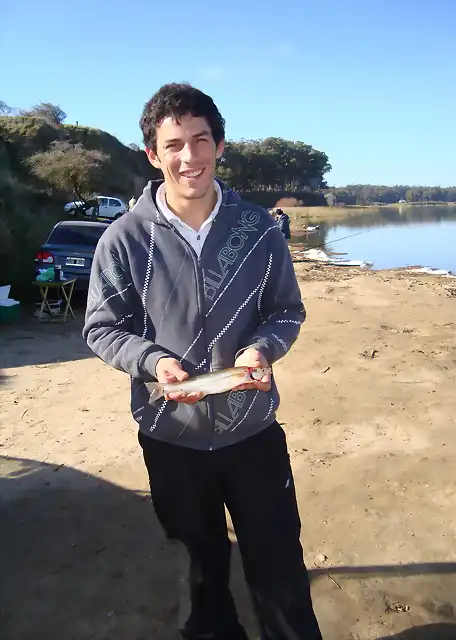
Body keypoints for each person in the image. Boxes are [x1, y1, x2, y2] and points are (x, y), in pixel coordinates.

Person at [83, 83, 322, 640]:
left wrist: (262, 349)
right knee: (201, 576)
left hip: (253, 434)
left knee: (280, 571)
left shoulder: (259, 229)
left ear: (219, 145)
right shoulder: (122, 241)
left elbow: (286, 311)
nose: (188, 157)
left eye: (200, 140)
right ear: (153, 154)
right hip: (171, 439)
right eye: (173, 145)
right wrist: (151, 361)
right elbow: (100, 328)